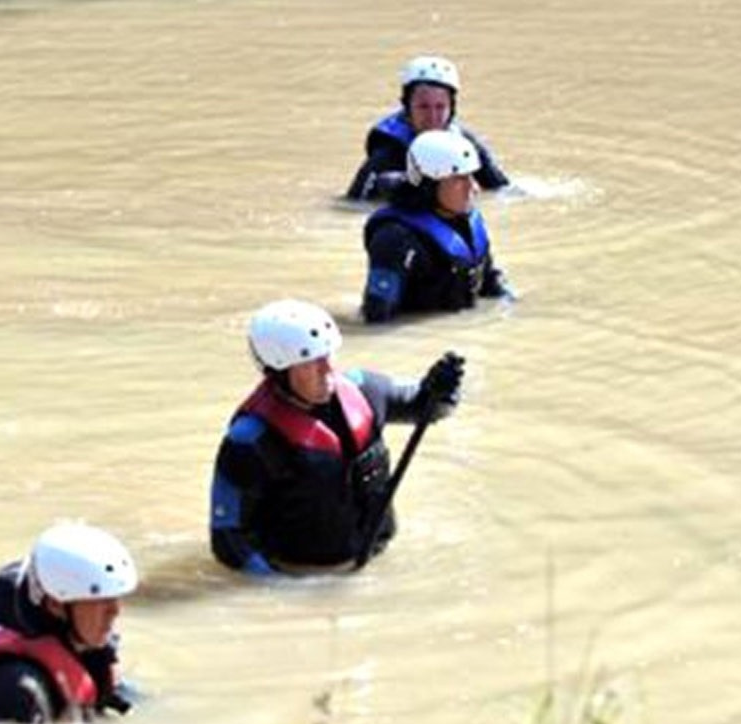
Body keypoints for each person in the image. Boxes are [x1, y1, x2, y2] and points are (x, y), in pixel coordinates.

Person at [209, 299, 465, 574]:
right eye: (310, 362)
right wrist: (281, 592)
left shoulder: (366, 390)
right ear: (280, 371)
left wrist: (442, 389)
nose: (327, 370)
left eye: (327, 355)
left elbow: (430, 409)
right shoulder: (252, 439)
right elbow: (228, 539)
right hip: (304, 575)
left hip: (378, 561)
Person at [0, 520, 140, 723]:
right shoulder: (14, 689)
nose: (115, 611)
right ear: (56, 604)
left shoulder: (84, 636)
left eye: (115, 597)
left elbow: (121, 697)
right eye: (100, 600)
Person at [361, 129, 515, 323]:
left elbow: (489, 282)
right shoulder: (394, 238)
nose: (473, 189)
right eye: (459, 179)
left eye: (471, 177)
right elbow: (377, 317)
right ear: (428, 184)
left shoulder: (467, 218)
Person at [345, 55, 509, 202]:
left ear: (452, 109)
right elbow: (353, 206)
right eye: (423, 107)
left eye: (440, 107)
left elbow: (501, 188)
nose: (432, 117)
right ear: (407, 107)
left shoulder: (465, 143)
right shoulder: (388, 152)